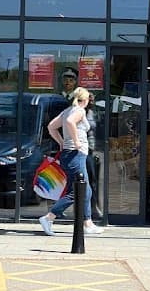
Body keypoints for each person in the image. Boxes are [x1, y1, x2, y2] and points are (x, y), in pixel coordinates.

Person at [38, 87, 103, 236]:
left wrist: (62, 142)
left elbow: (51, 127)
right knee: (78, 191)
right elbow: (69, 122)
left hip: (68, 154)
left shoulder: (67, 110)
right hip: (75, 154)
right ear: (84, 100)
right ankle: (49, 217)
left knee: (83, 190)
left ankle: (87, 223)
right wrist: (76, 142)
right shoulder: (79, 110)